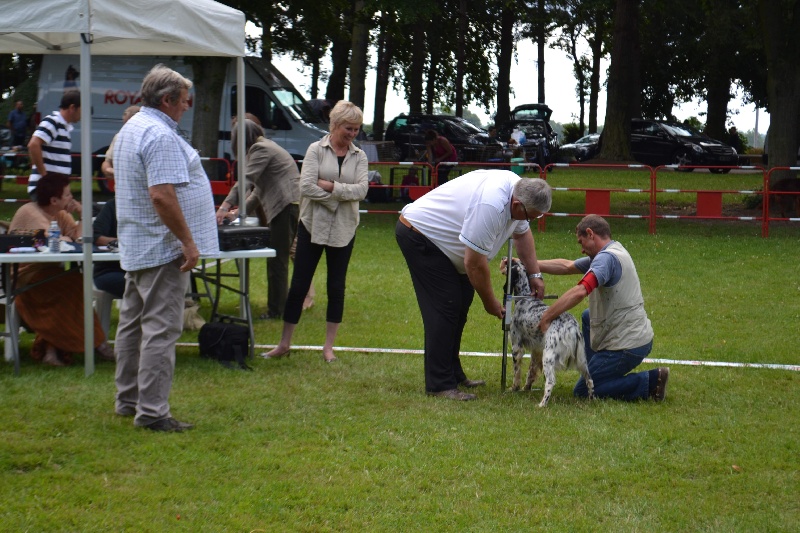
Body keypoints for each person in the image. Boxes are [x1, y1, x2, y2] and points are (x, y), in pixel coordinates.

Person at [113, 64, 219, 432]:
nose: (187, 107)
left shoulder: (133, 127)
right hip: (160, 246)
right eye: (185, 101)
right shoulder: (159, 135)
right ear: (168, 100)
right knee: (160, 329)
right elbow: (162, 195)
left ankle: (128, 399)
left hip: (138, 241)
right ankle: (153, 412)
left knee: (132, 325)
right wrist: (188, 242)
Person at [396, 169, 552, 401]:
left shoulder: (518, 196)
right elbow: (474, 264)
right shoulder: (491, 206)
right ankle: (439, 384)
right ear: (518, 204)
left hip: (448, 248)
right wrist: (490, 302)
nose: (530, 220)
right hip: (422, 236)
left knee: (459, 306)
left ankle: (453, 373)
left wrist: (534, 273)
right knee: (445, 307)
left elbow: (522, 236)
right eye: (531, 216)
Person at [262, 100, 368, 363]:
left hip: (345, 230)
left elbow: (362, 190)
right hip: (311, 226)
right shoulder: (315, 150)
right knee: (298, 285)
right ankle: (284, 343)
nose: (352, 134)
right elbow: (306, 186)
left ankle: (328, 348)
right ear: (334, 125)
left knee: (336, 287)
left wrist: (332, 187)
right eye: (348, 128)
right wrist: (341, 195)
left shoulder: (360, 156)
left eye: (356, 129)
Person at [536, 214, 669, 402]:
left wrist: (547, 316)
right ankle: (597, 371)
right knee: (587, 316)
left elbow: (581, 291)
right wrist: (527, 264)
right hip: (636, 338)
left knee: (583, 391)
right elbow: (566, 266)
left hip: (627, 345)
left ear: (590, 233)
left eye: (581, 242)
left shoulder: (605, 260)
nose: (581, 249)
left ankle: (651, 380)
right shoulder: (612, 251)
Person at [8, 172, 115, 366]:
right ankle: (98, 344)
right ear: (54, 199)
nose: (71, 198)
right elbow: (49, 241)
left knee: (73, 283)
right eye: (67, 195)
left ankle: (53, 350)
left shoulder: (59, 214)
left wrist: (82, 215)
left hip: (48, 276)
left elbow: (78, 239)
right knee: (72, 284)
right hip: (24, 281)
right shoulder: (30, 212)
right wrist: (64, 238)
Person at [215, 118, 300, 320]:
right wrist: (237, 213)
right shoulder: (267, 147)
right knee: (277, 259)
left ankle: (277, 310)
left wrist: (224, 206)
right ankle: (280, 305)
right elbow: (258, 192)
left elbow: (246, 181)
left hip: (286, 206)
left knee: (277, 261)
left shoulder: (260, 149)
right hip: (289, 206)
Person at [27, 90, 81, 199]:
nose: (82, 114)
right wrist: (45, 177)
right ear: (72, 108)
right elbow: (33, 145)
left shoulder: (63, 127)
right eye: (81, 109)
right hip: (46, 190)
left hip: (53, 190)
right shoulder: (53, 122)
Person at [100, 105, 141, 190]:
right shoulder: (118, 137)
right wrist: (108, 169)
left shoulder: (146, 139)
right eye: (124, 124)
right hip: (121, 190)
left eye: (128, 124)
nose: (125, 128)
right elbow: (107, 161)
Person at [92, 197, 124, 298]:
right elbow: (96, 237)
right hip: (110, 270)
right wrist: (122, 243)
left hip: (139, 269)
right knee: (142, 284)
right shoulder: (113, 205)